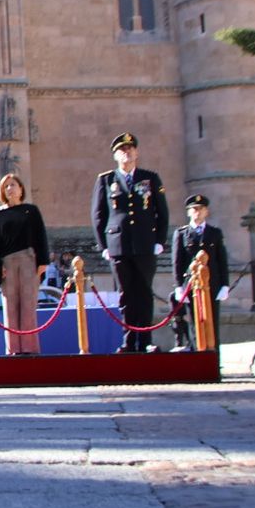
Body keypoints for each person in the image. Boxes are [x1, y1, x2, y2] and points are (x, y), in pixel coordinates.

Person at [91, 132, 170, 353]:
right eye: (122, 150)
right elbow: (98, 214)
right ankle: (128, 341)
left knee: (144, 292)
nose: (126, 153)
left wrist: (160, 241)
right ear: (115, 155)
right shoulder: (106, 180)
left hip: (145, 244)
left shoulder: (149, 178)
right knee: (125, 294)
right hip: (118, 244)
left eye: (130, 149)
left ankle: (145, 340)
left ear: (136, 152)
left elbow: (161, 212)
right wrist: (103, 246)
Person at [0, 172, 51, 356]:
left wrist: (43, 262)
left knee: (28, 305)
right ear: (2, 192)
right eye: (6, 186)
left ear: (21, 189)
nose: (10, 188)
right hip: (7, 264)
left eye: (13, 185)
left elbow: (40, 236)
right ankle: (13, 350)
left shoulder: (31, 211)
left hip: (29, 261)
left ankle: (30, 349)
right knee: (10, 306)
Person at [171, 194, 231, 351]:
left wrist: (225, 284)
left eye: (201, 209)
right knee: (194, 322)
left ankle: (213, 357)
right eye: (194, 209)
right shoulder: (182, 233)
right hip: (191, 285)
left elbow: (221, 260)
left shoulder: (214, 233)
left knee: (212, 321)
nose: (197, 212)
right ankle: (197, 354)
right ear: (188, 212)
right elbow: (177, 262)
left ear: (206, 212)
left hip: (212, 284)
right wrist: (178, 286)